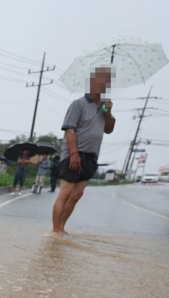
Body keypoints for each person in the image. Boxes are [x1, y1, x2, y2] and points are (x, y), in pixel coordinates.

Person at [51, 66, 115, 233]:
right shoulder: (78, 104)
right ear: (92, 82)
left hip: (91, 155)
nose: (103, 84)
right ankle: (55, 231)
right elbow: (69, 129)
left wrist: (108, 112)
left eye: (106, 81)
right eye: (100, 80)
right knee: (65, 192)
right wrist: (74, 153)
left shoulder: (104, 107)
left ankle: (61, 229)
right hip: (73, 153)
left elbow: (108, 129)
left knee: (77, 194)